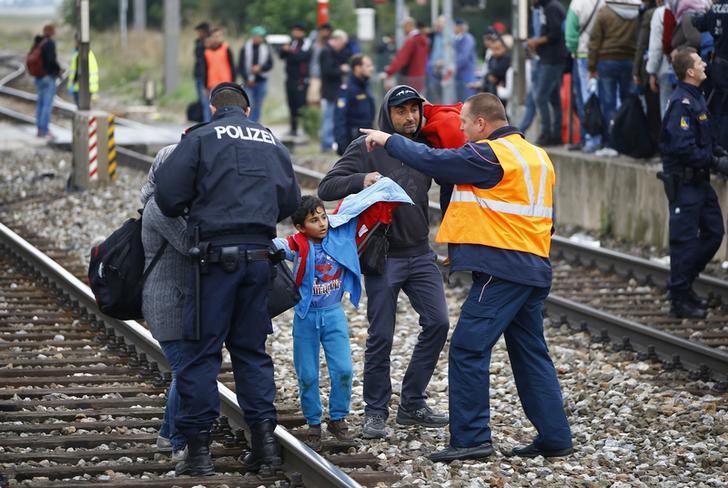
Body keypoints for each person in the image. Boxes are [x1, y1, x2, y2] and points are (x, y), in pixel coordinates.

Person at [360, 92, 573, 463]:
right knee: (531, 353)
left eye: (463, 125)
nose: (459, 131)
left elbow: (435, 160)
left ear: (481, 123)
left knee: (467, 349)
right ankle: (555, 436)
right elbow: (536, 218)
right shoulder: (537, 156)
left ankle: (472, 438)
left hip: (502, 271)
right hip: (534, 267)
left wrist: (389, 140)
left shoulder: (491, 154)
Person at [154, 82, 300, 476]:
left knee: (204, 355)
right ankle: (266, 447)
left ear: (213, 106)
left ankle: (199, 455)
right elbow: (291, 203)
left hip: (215, 265)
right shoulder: (270, 140)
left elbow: (167, 198)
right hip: (259, 262)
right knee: (252, 353)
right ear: (248, 110)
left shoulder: (200, 137)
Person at [319, 85, 450, 440]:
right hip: (384, 257)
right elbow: (326, 187)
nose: (409, 118)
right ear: (386, 115)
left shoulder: (427, 145)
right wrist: (363, 179)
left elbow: (453, 180)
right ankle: (375, 412)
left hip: (421, 254)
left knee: (438, 324)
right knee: (381, 336)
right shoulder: (367, 146)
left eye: (413, 110)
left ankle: (412, 403)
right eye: (400, 111)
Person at [273, 182, 412, 449]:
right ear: (301, 227)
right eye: (314, 221)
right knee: (307, 374)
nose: (322, 223)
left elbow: (358, 211)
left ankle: (338, 418)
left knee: (344, 370)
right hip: (305, 318)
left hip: (334, 314)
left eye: (323, 217)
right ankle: (314, 422)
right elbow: (276, 244)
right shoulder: (296, 244)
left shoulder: (339, 234)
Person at [659, 47, 726, 319]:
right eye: (700, 62)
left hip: (699, 182)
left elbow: (705, 139)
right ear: (690, 71)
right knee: (684, 242)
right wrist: (714, 162)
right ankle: (679, 297)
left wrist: (719, 154)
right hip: (685, 184)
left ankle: (684, 284)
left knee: (714, 232)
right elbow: (683, 148)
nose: (704, 66)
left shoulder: (695, 98)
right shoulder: (681, 104)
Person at [139, 144, 189, 463]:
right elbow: (188, 243)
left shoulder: (175, 204)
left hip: (178, 300)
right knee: (187, 371)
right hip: (166, 303)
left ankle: (167, 433)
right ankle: (179, 443)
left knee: (186, 370)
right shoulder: (160, 206)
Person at [588, 0, 640, 156]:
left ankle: (611, 143)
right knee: (627, 103)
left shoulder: (604, 12)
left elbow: (595, 41)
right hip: (630, 60)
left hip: (607, 61)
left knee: (608, 104)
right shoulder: (637, 13)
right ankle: (626, 141)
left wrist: (591, 66)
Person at [527, 0, 568, 146]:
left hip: (552, 60)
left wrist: (537, 42)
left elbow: (555, 32)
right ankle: (556, 135)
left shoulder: (552, 8)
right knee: (554, 98)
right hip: (551, 58)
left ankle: (546, 134)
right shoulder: (547, 8)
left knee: (540, 97)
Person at [566, 0, 604, 152]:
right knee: (602, 97)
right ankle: (604, 138)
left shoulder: (577, 4)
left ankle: (589, 138)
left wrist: (573, 50)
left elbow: (570, 33)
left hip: (582, 55)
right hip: (603, 54)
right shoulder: (605, 3)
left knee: (586, 99)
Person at [334, 53, 375, 156]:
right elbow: (339, 118)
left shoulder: (365, 87)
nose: (372, 69)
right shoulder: (347, 89)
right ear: (357, 68)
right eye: (368, 66)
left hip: (365, 139)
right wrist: (342, 145)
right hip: (352, 142)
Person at [319, 29, 351, 153]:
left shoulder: (332, 51)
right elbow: (328, 71)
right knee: (329, 117)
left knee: (331, 116)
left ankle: (328, 142)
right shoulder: (326, 52)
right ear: (336, 40)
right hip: (330, 90)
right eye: (342, 44)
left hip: (333, 89)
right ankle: (326, 144)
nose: (342, 47)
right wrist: (341, 69)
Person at [279, 23, 312, 137]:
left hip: (301, 79)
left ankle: (307, 129)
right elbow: (282, 55)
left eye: (298, 31)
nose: (295, 33)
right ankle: (293, 128)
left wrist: (290, 52)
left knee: (301, 105)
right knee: (291, 104)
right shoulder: (292, 43)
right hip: (290, 78)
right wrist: (285, 50)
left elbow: (302, 56)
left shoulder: (307, 43)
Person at [382, 18, 430, 93]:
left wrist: (389, 71)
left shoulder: (411, 41)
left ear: (409, 26)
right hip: (420, 76)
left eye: (404, 27)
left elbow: (401, 59)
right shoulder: (424, 40)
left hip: (409, 77)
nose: (403, 30)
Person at [30, 23, 60, 139]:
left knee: (40, 104)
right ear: (52, 31)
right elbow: (51, 60)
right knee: (47, 105)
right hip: (48, 77)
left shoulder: (38, 42)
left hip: (38, 77)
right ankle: (45, 130)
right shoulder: (50, 44)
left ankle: (39, 129)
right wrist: (57, 70)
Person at [239, 25, 274, 123]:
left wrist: (260, 68)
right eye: (257, 36)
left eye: (261, 37)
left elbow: (270, 64)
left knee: (258, 104)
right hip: (248, 82)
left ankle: (256, 123)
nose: (259, 38)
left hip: (261, 81)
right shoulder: (245, 49)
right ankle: (247, 123)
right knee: (248, 104)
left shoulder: (265, 49)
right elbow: (241, 66)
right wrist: (247, 79)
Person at [204, 28, 236, 105]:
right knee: (212, 107)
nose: (216, 38)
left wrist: (233, 83)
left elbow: (232, 66)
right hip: (212, 85)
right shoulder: (206, 52)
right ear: (211, 38)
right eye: (214, 36)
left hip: (225, 84)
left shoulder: (226, 48)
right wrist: (205, 86)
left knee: (226, 106)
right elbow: (205, 70)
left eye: (218, 36)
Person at [67, 33, 99, 108]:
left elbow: (77, 72)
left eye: (76, 41)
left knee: (81, 110)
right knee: (85, 109)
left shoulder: (80, 55)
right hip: (88, 87)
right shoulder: (89, 54)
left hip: (80, 88)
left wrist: (72, 84)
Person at [454, 19, 477, 102]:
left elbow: (464, 57)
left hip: (467, 75)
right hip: (459, 75)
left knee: (468, 100)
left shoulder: (468, 39)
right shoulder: (456, 39)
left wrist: (453, 67)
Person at [193, 22, 212, 123]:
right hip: (199, 75)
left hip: (208, 77)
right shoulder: (198, 42)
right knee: (203, 102)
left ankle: (207, 123)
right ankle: (205, 122)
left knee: (207, 103)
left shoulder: (211, 44)